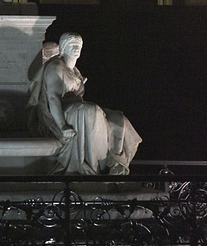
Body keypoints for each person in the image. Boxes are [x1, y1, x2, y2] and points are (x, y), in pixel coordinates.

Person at [28, 33, 142, 175]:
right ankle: (100, 164)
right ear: (63, 47)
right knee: (90, 111)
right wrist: (62, 126)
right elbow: (52, 99)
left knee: (117, 118)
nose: (76, 48)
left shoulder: (75, 71)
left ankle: (115, 162)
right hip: (58, 114)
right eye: (72, 45)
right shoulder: (55, 67)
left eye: (79, 46)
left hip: (74, 109)